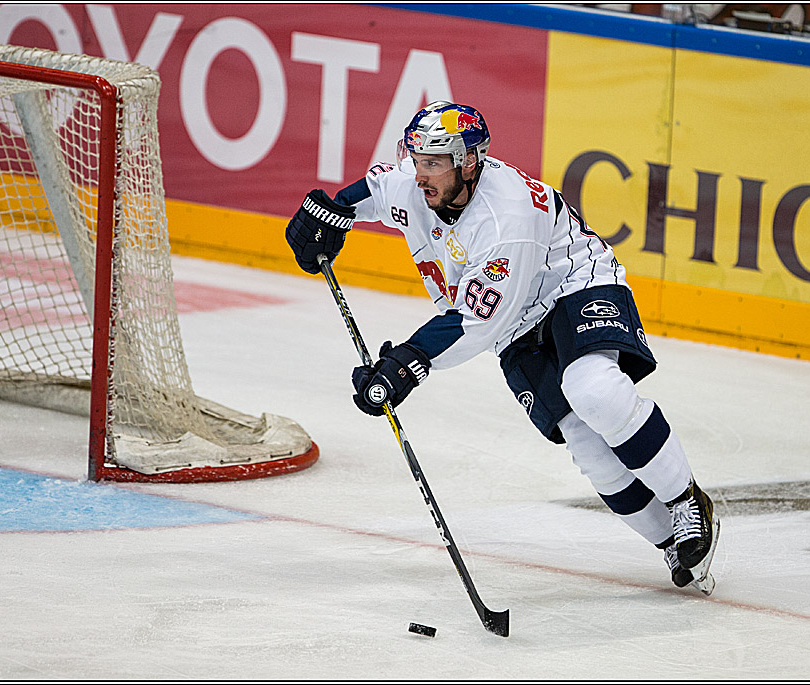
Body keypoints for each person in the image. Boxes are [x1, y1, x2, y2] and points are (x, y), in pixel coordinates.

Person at [286, 101, 720, 594]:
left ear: (468, 162)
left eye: (434, 163)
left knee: (591, 388)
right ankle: (672, 543)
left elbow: (477, 323)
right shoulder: (416, 182)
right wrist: (329, 215)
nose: (421, 174)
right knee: (584, 442)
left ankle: (687, 501)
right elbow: (372, 193)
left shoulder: (505, 216)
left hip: (571, 284)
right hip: (515, 320)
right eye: (417, 159)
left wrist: (403, 366)